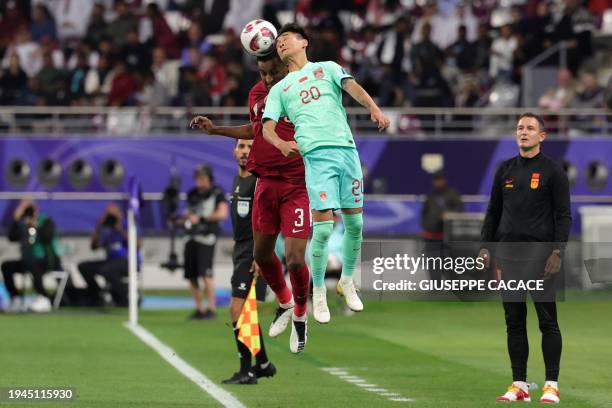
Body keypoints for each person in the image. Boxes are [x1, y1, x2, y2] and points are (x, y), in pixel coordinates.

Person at [262, 23, 390, 324]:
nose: (280, 44)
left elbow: (352, 87)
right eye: (277, 42)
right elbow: (267, 127)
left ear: (303, 42)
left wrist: (374, 108)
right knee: (321, 229)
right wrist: (281, 143)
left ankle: (346, 281)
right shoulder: (280, 88)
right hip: (316, 155)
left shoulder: (328, 68)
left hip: (346, 150)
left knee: (355, 223)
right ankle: (318, 290)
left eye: (286, 39)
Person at [190, 49, 311, 354]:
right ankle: (284, 303)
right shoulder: (257, 92)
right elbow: (255, 130)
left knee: (295, 258)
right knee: (263, 253)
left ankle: (300, 314)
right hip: (267, 182)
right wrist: (216, 129)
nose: (268, 79)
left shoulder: (304, 89)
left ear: (287, 67)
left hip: (297, 183)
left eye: (273, 73)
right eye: (263, 74)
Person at [479, 113, 571, 404]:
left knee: (548, 322)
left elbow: (563, 216)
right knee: (514, 322)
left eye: (530, 128)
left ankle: (551, 385)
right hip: (509, 257)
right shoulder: (504, 169)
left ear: (542, 136)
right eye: (520, 128)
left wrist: (557, 251)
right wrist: (486, 247)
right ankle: (519, 384)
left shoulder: (553, 172)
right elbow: (493, 212)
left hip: (541, 257)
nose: (524, 132)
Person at [221, 139, 276, 384]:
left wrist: (259, 255)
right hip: (242, 251)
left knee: (238, 310)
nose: (245, 152)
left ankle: (246, 370)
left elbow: (270, 220)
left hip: (255, 253)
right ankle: (262, 364)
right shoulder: (238, 181)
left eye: (249, 148)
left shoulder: (259, 181)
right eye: (241, 147)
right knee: (245, 312)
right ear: (234, 151)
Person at [182, 165, 228, 319]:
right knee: (191, 275)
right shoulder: (192, 194)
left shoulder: (217, 193)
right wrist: (184, 219)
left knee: (206, 274)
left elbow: (222, 213)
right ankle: (199, 308)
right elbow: (187, 212)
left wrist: (201, 219)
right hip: (190, 237)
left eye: (202, 178)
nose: (199, 182)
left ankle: (211, 308)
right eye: (197, 178)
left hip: (206, 238)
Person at [1, 200, 61, 313]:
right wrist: (16, 219)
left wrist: (35, 225)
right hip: (29, 261)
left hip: (48, 260)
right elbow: (12, 237)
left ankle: (44, 297)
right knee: (7, 266)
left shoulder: (45, 220)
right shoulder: (23, 224)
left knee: (32, 263)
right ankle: (15, 298)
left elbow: (47, 237)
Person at [77, 203, 133, 307]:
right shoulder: (106, 229)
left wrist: (120, 230)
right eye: (108, 214)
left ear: (120, 214)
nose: (111, 218)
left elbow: (137, 245)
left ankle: (125, 297)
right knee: (84, 267)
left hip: (127, 261)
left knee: (107, 270)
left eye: (113, 215)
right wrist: (99, 227)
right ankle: (96, 295)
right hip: (110, 261)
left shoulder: (127, 225)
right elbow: (94, 247)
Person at [421, 171, 464, 281]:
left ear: (444, 180)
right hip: (431, 237)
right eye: (436, 180)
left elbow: (460, 210)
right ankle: (435, 288)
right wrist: (427, 225)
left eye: (440, 179)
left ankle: (452, 289)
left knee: (449, 265)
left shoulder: (452, 193)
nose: (438, 182)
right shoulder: (430, 196)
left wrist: (447, 215)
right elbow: (424, 214)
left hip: (447, 237)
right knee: (433, 265)